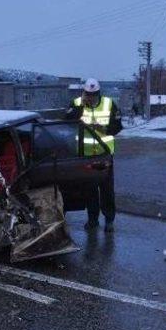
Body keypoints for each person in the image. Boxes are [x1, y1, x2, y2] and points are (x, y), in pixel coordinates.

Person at [67, 78, 122, 232]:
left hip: (104, 155)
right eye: (88, 94)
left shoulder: (109, 104)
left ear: (99, 93)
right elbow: (67, 121)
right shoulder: (77, 103)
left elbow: (118, 127)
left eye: (94, 95)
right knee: (89, 190)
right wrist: (81, 107)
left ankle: (109, 220)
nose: (91, 98)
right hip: (85, 156)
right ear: (84, 93)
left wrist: (103, 129)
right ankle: (92, 220)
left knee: (107, 190)